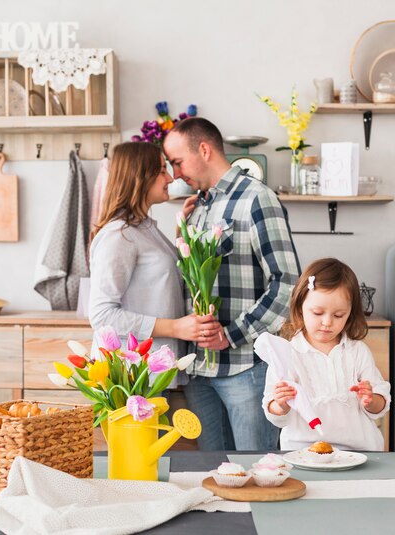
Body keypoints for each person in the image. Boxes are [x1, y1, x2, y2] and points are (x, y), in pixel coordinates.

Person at [163, 118, 300, 450]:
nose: (176, 173)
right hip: (199, 374)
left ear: (205, 150)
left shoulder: (257, 199)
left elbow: (287, 282)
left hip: (245, 370)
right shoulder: (196, 209)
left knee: (257, 471)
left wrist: (231, 334)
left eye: (178, 162)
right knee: (215, 473)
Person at [88, 141, 220, 367]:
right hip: (130, 377)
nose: (170, 178)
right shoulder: (119, 235)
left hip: (151, 371)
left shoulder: (144, 229)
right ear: (139, 176)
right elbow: (102, 316)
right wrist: (176, 327)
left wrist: (182, 233)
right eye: (161, 171)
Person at [262, 258, 391, 451]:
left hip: (359, 451)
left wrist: (371, 400)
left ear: (350, 314)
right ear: (300, 307)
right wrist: (280, 404)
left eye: (338, 315)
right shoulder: (286, 353)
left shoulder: (357, 351)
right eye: (317, 313)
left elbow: (380, 405)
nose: (327, 322)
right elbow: (274, 412)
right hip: (303, 452)